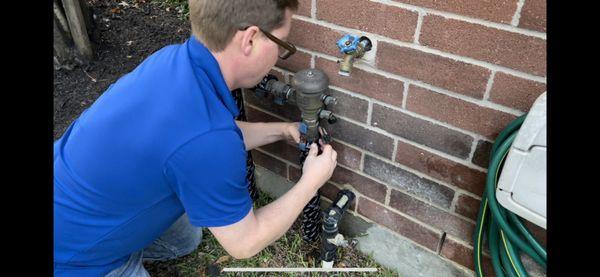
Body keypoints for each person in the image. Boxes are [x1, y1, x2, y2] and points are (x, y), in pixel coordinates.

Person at [53, 0, 338, 276]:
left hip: (74, 200)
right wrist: (310, 181)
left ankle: (125, 234)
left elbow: (198, 138)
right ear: (250, 39)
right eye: (281, 44)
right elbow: (245, 242)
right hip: (71, 259)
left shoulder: (175, 60)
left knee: (185, 240)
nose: (279, 55)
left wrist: (281, 130)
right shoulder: (207, 138)